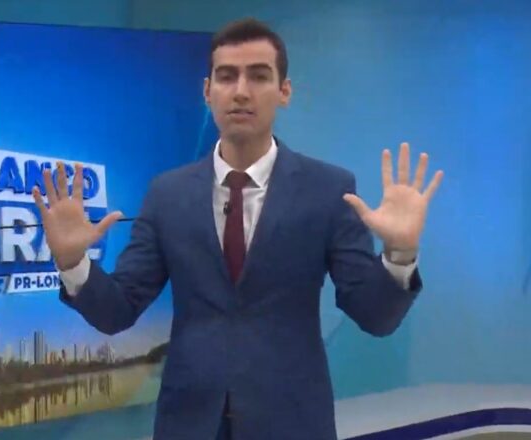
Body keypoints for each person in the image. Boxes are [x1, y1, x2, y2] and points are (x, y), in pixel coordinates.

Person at [32, 17, 443, 440]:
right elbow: (118, 311)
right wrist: (73, 262)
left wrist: (399, 254)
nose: (241, 91)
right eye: (227, 76)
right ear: (207, 91)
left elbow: (374, 316)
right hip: (189, 424)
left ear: (284, 92)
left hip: (292, 423)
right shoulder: (167, 195)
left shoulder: (328, 189)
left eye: (259, 76)